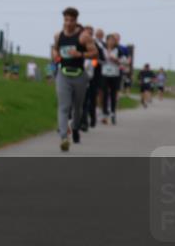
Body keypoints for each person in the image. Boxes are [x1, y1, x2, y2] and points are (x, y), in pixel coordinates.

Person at [51, 8, 97, 151]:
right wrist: (55, 55)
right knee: (63, 107)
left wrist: (80, 54)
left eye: (71, 20)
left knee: (78, 107)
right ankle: (64, 137)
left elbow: (94, 52)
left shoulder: (83, 36)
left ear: (76, 21)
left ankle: (75, 128)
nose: (68, 23)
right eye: (66, 20)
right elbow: (55, 49)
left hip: (79, 75)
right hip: (63, 75)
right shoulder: (58, 35)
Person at [81, 25, 106, 131]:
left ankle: (92, 117)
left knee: (90, 97)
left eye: (90, 33)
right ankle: (83, 121)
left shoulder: (98, 46)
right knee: (82, 99)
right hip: (80, 75)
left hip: (94, 76)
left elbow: (103, 60)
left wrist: (95, 62)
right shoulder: (78, 44)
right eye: (87, 32)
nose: (88, 35)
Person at [101, 33, 123, 124]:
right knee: (105, 93)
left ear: (115, 42)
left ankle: (113, 112)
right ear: (106, 41)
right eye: (109, 40)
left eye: (113, 40)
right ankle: (105, 112)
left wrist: (116, 60)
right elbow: (97, 60)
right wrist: (103, 60)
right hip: (104, 74)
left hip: (115, 74)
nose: (111, 42)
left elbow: (123, 62)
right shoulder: (102, 50)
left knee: (113, 94)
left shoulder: (118, 50)